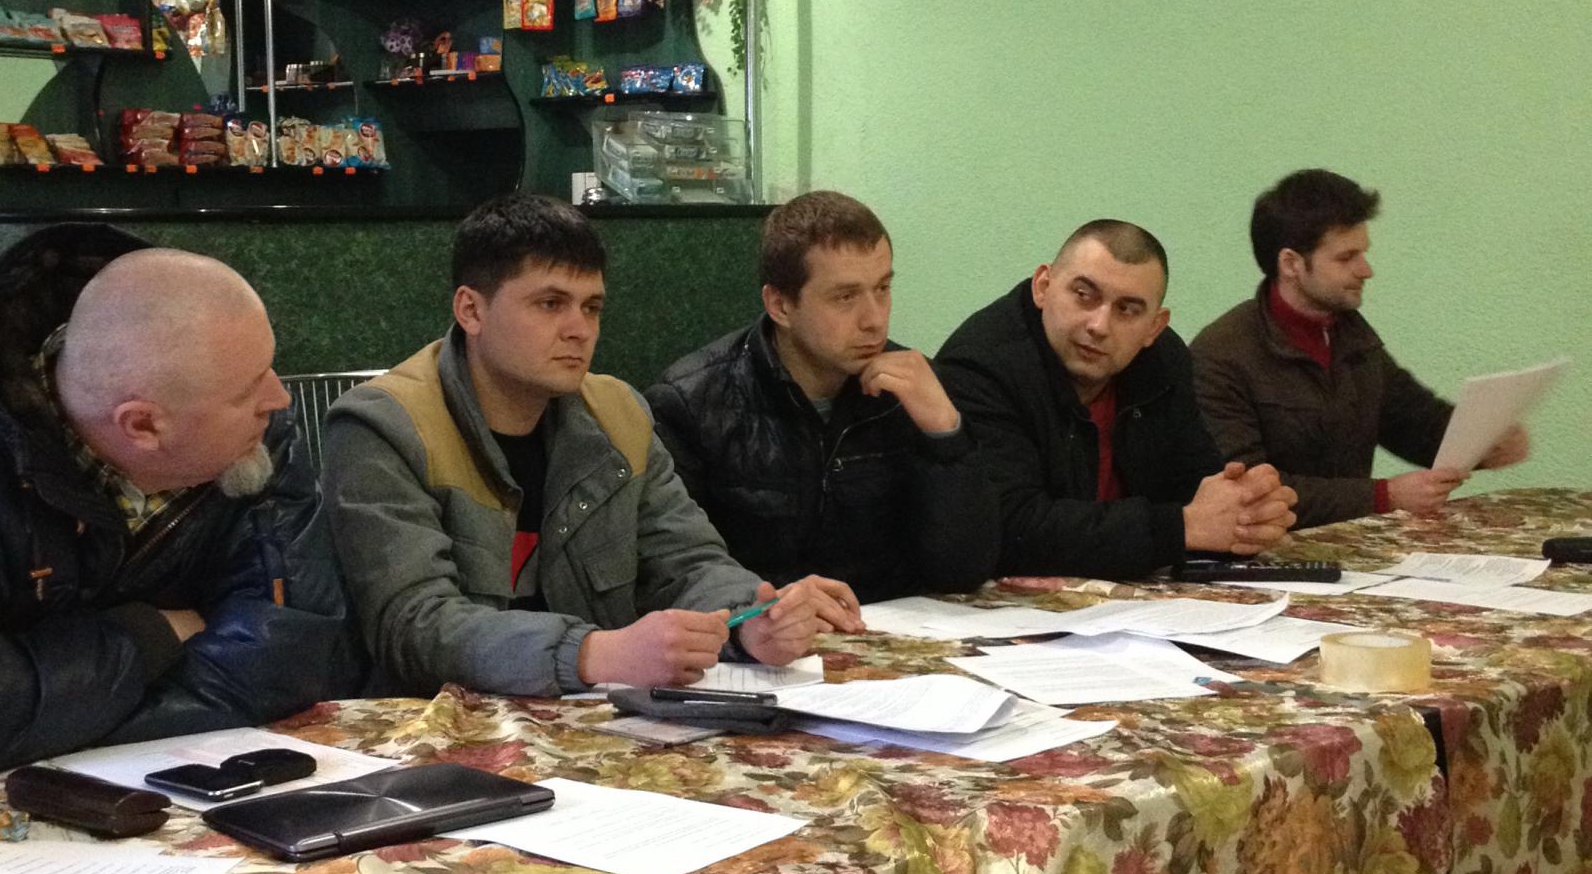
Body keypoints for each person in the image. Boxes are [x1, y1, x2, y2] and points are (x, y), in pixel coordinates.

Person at [0, 223, 355, 779]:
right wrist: (148, 636)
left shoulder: (253, 436)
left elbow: (290, 662)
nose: (280, 397)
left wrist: (36, 709)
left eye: (269, 367)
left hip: (171, 785)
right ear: (143, 426)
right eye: (249, 389)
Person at [323, 192, 858, 696]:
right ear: (471, 311)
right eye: (550, 303)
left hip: (592, 720)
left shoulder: (618, 413)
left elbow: (687, 562)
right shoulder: (384, 426)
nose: (579, 329)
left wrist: (750, 622)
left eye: (592, 307)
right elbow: (413, 624)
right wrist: (592, 654)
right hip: (433, 730)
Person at [647, 190, 1000, 602]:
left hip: (895, 625)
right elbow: (673, 576)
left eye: (883, 288)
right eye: (845, 297)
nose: (874, 319)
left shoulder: (913, 389)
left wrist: (947, 436)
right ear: (780, 305)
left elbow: (964, 571)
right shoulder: (691, 403)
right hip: (765, 627)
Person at [935, 220, 1296, 578]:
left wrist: (1245, 512)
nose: (1099, 326)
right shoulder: (982, 366)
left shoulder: (1162, 361)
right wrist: (1181, 527)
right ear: (1043, 286)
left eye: (1127, 309)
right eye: (1083, 294)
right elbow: (1008, 528)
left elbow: (1192, 486)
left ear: (1154, 327)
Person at [1191, 169, 1528, 529]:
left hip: (1345, 543)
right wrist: (1383, 497)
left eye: (1363, 253)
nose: (1366, 270)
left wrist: (1484, 442)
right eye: (1346, 257)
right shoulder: (1220, 355)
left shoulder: (1349, 332)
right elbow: (1247, 492)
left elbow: (1411, 421)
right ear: (1290, 264)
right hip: (1266, 552)